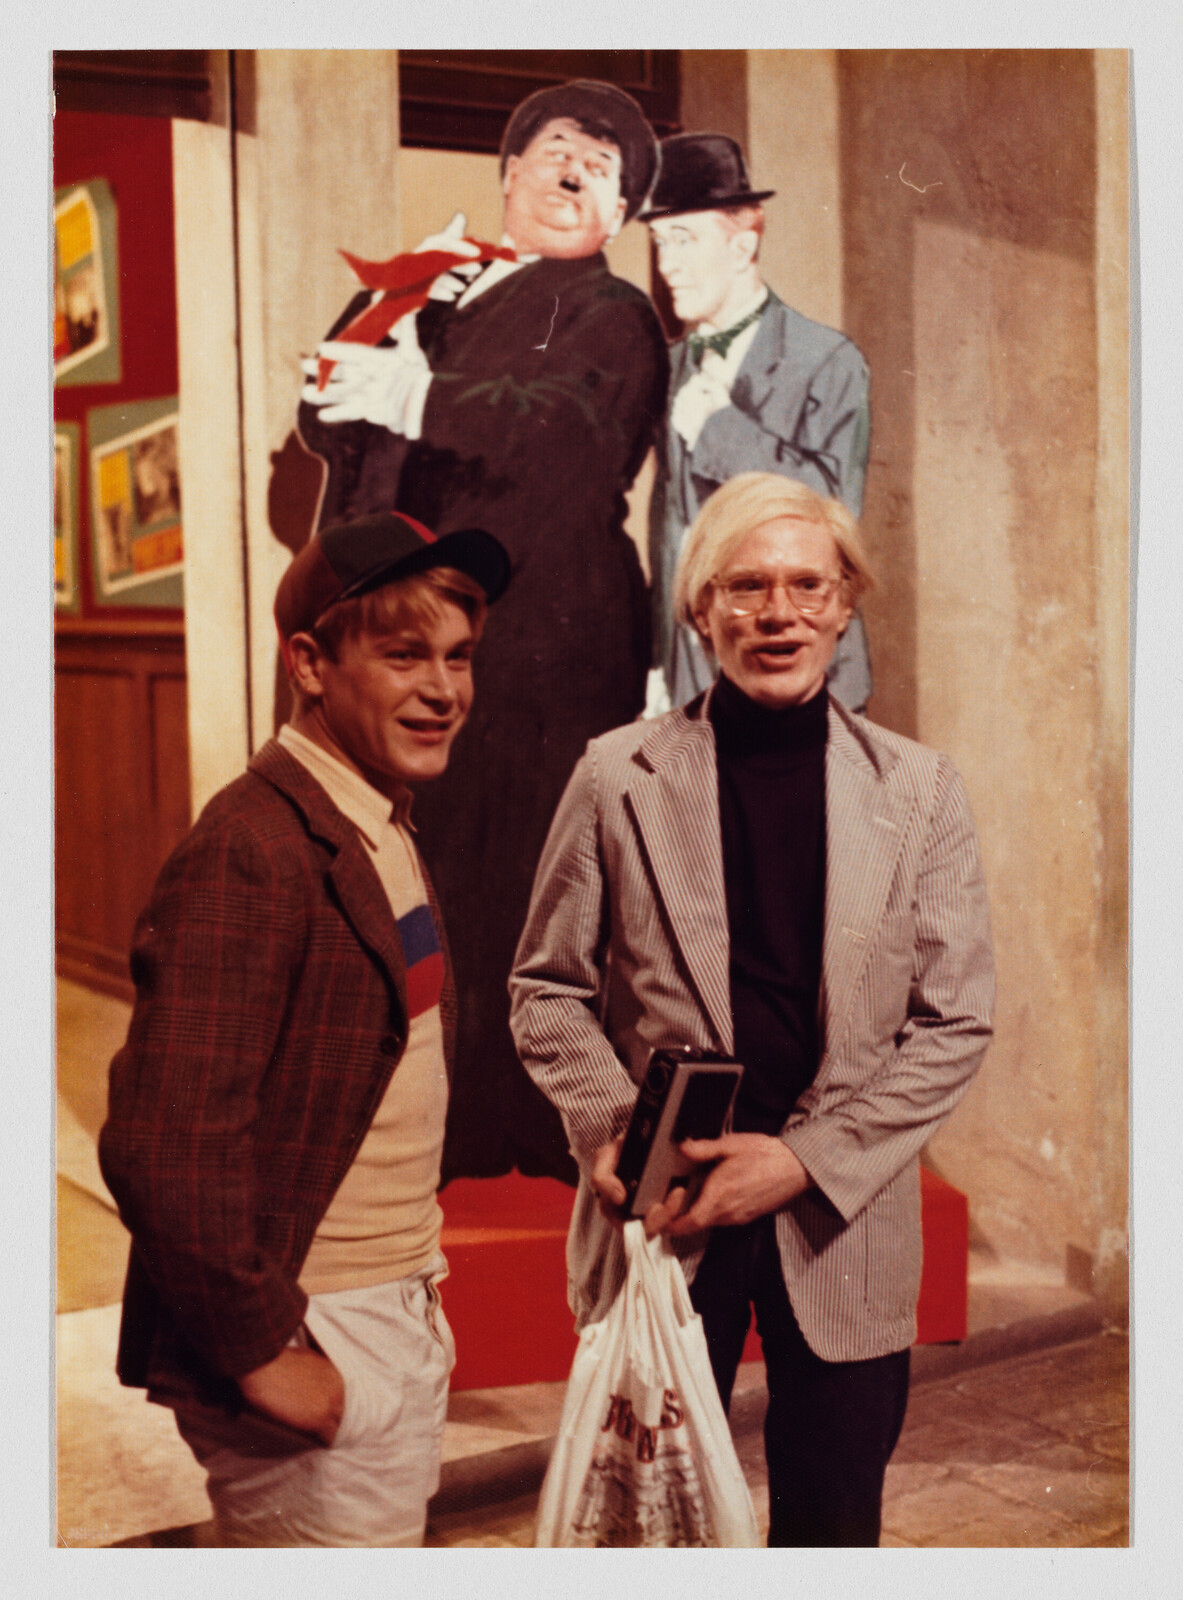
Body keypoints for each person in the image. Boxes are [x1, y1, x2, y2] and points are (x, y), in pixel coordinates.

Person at [509, 472, 994, 1546]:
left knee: (831, 1527)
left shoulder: (919, 792)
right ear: (701, 610)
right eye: (748, 588)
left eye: (807, 587)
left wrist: (804, 1160)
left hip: (843, 1217)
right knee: (652, 1530)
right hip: (666, 1214)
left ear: (845, 602)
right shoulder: (613, 776)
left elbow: (954, 1020)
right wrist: (609, 1126)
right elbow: (544, 989)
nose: (780, 614)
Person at [99, 510, 511, 1547]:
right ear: (310, 663)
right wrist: (257, 1355)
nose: (443, 689)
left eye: (460, 658)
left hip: (389, 1298)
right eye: (403, 653)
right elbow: (163, 1142)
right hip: (316, 1317)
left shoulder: (373, 816)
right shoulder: (252, 847)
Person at [298, 81, 670, 1185]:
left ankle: (533, 1135)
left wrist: (420, 394)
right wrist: (399, 310)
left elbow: (565, 431)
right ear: (505, 175)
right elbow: (326, 412)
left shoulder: (612, 313)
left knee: (533, 890)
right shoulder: (438, 291)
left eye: (599, 169)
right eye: (554, 151)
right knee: (420, 874)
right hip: (407, 630)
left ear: (617, 215)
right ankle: (438, 1132)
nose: (569, 174)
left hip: (548, 646)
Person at [643, 133, 873, 715]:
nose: (667, 264)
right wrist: (658, 660)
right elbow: (667, 528)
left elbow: (832, 516)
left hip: (807, 676)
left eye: (684, 239)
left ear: (743, 247)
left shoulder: (829, 360)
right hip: (693, 681)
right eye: (659, 242)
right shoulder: (667, 366)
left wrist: (720, 429)